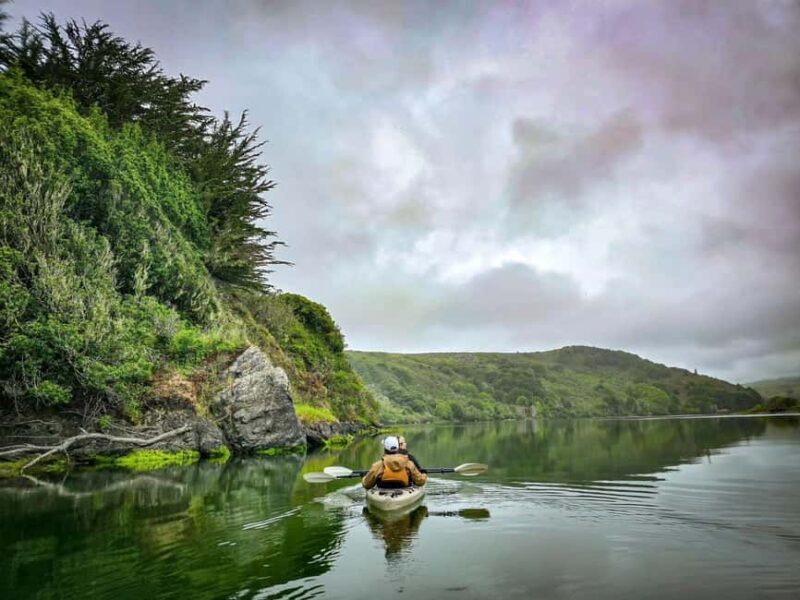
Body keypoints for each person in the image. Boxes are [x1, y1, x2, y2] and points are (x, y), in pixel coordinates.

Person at [362, 436, 428, 490]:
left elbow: (366, 484)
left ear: (385, 449)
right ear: (397, 448)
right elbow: (420, 482)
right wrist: (424, 474)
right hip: (404, 491)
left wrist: (364, 477)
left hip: (383, 492)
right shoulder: (409, 464)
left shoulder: (377, 465)